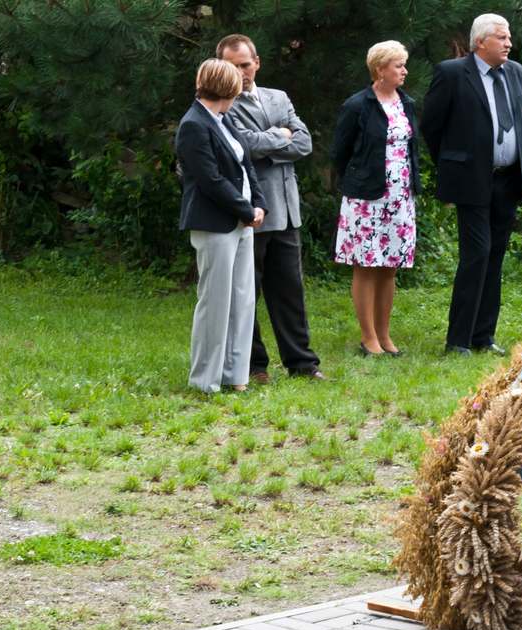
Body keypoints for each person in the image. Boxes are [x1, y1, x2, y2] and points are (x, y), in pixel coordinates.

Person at [421, 13, 522, 356]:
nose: (509, 43)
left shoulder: (516, 73)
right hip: (471, 180)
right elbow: (431, 126)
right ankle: (458, 339)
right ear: (480, 42)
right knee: (477, 254)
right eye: (501, 37)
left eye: (509, 37)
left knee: (496, 256)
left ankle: (483, 337)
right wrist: (454, 165)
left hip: (507, 179)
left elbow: (517, 118)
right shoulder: (453, 73)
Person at [217, 34, 324, 382]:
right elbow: (243, 145)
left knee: (291, 293)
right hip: (252, 211)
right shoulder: (224, 105)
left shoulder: (278, 97)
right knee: (247, 293)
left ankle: (302, 363)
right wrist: (281, 135)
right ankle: (253, 365)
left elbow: (305, 142)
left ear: (257, 62)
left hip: (287, 210)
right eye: (233, 66)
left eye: (245, 65)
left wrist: (269, 141)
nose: (241, 72)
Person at [175, 59, 267, 393]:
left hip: (242, 220)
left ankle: (235, 375)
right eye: (237, 83)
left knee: (242, 300)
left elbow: (245, 165)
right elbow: (209, 179)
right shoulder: (194, 124)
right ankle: (205, 381)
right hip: (214, 223)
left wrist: (258, 203)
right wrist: (245, 209)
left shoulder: (224, 120)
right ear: (226, 88)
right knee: (215, 302)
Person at [331, 40, 421, 357]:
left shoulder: (406, 103)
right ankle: (368, 337)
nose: (404, 71)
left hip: (400, 199)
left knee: (389, 267)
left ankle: (385, 335)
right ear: (380, 69)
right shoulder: (358, 105)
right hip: (366, 199)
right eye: (399, 65)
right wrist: (359, 180)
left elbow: (412, 146)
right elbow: (339, 153)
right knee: (366, 266)